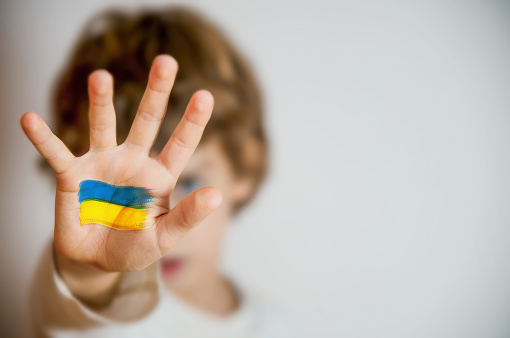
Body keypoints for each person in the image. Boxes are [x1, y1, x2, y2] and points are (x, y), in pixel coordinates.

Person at [21, 6, 293, 337]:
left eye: (189, 180)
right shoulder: (99, 311)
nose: (156, 215)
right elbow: (81, 303)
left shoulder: (278, 326)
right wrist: (88, 270)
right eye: (118, 191)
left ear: (245, 170)